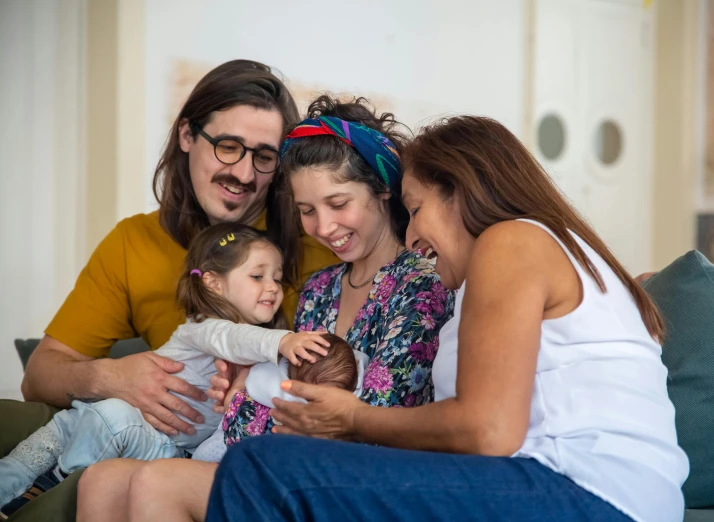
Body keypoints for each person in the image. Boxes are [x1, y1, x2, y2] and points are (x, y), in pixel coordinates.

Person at [201, 115, 691, 522]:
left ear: (457, 190)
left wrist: (352, 419)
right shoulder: (525, 258)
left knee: (260, 469)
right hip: (576, 491)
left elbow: (489, 431)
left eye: (414, 209)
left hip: (588, 493)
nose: (412, 235)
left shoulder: (512, 240)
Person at [75, 96, 455, 522]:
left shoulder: (421, 287)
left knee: (157, 481)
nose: (323, 228)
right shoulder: (318, 288)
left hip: (351, 477)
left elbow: (381, 418)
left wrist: (255, 405)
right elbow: (286, 388)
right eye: (307, 211)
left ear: (383, 190)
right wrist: (245, 379)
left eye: (338, 203)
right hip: (275, 459)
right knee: (103, 479)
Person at [0, 60, 338, 521]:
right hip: (141, 430)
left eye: (263, 156)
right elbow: (40, 375)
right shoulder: (133, 242)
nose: (244, 172)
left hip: (233, 446)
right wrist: (113, 377)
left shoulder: (317, 243)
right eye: (228, 146)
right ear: (186, 136)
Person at [0, 223, 330, 510]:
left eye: (277, 277)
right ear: (213, 284)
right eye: (258, 276)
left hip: (158, 443)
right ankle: (25, 489)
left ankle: (54, 483)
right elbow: (233, 337)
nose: (273, 286)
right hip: (104, 418)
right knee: (31, 454)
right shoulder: (204, 327)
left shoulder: (256, 348)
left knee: (113, 418)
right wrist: (284, 341)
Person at [192, 332, 366, 462]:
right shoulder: (271, 378)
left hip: (265, 460)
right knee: (202, 457)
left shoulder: (348, 400)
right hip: (231, 438)